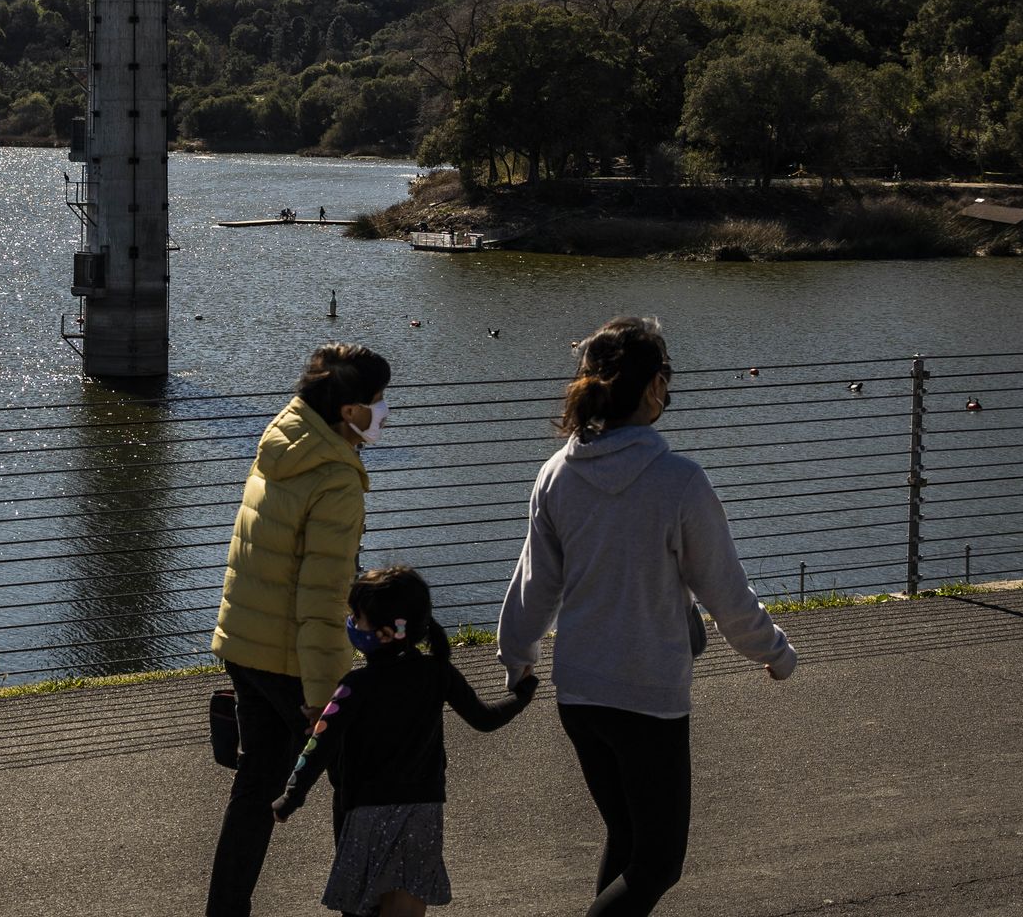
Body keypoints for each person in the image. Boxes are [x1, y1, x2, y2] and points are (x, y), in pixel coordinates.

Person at [497, 316, 797, 917]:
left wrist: (517, 657)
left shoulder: (556, 473)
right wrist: (774, 653)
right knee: (659, 861)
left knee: (628, 839)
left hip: (579, 694)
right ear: (655, 386)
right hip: (648, 699)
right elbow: (726, 593)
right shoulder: (677, 482)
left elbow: (535, 582)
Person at [206, 342, 391, 917]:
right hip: (292, 659)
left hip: (245, 641)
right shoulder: (334, 478)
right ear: (350, 411)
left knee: (256, 786)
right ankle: (360, 906)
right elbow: (323, 598)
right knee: (357, 783)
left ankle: (226, 909)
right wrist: (323, 696)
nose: (385, 410)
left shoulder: (284, 443)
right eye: (379, 401)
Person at [275, 566, 537, 917]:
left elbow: (319, 746)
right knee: (406, 903)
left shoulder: (355, 685)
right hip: (423, 811)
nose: (351, 622)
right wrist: (522, 695)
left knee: (361, 905)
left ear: (384, 633)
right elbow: (485, 719)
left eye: (357, 617)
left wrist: (291, 795)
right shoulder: (438, 672)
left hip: (364, 813)